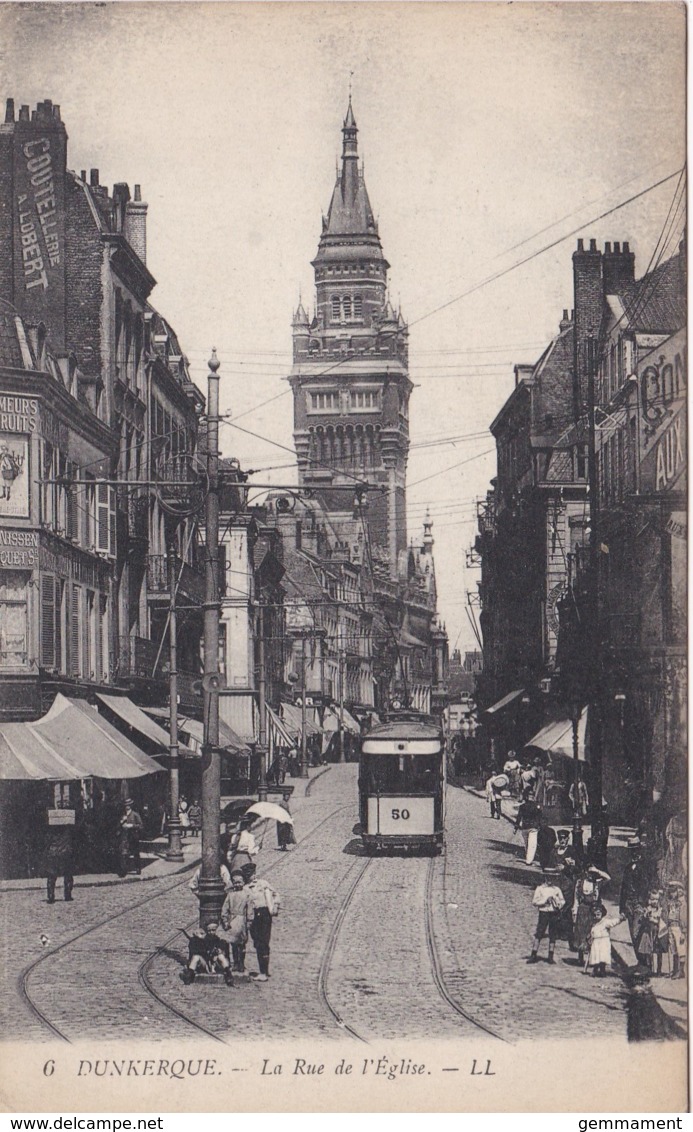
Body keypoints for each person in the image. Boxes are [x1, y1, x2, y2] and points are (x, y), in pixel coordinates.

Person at [245, 864, 280, 981]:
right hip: (253, 915)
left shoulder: (263, 883)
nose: (252, 877)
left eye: (253, 874)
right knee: (257, 942)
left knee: (263, 942)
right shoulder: (245, 888)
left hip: (264, 914)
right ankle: (264, 970)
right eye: (249, 875)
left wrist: (275, 905)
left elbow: (276, 894)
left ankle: (264, 972)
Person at [619, 838, 650, 965]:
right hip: (628, 904)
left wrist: (647, 904)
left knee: (637, 932)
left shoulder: (644, 867)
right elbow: (623, 888)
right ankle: (640, 961)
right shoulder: (627, 868)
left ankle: (644, 961)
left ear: (639, 851)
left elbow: (648, 885)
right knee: (632, 933)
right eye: (631, 851)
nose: (634, 854)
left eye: (636, 851)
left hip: (639, 903)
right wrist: (621, 908)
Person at [527, 868, 565, 964]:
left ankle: (550, 955)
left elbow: (562, 900)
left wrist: (558, 904)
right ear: (545, 877)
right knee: (539, 932)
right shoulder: (540, 889)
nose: (550, 880)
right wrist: (544, 902)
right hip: (544, 912)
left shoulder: (556, 889)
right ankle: (534, 954)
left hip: (553, 912)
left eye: (552, 878)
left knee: (553, 933)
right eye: (548, 877)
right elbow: (534, 902)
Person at [573, 865, 610, 966]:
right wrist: (575, 910)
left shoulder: (597, 883)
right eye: (589, 873)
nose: (591, 876)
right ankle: (580, 957)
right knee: (581, 932)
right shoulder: (580, 882)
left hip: (593, 909)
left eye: (593, 874)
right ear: (585, 872)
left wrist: (598, 870)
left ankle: (592, 957)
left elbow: (608, 878)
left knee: (592, 932)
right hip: (582, 909)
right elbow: (576, 897)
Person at [221, 870, 253, 973]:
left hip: (242, 920)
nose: (237, 884)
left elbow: (249, 909)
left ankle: (241, 963)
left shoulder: (246, 895)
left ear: (244, 882)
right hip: (232, 920)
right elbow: (225, 908)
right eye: (235, 882)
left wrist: (249, 921)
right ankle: (235, 963)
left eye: (240, 882)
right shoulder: (230, 895)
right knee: (233, 943)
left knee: (242, 943)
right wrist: (225, 920)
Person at [44, 802, 75, 904]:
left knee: (52, 875)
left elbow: (47, 841)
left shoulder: (51, 830)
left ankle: (51, 896)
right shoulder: (68, 828)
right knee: (68, 874)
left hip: (53, 852)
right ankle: (67, 894)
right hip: (65, 851)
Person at [585, 905, 626, 977]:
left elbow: (613, 922)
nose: (596, 916)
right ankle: (595, 970)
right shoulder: (593, 923)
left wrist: (620, 919)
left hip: (603, 942)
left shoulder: (605, 922)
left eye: (598, 914)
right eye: (594, 915)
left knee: (602, 956)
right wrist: (589, 937)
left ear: (602, 913)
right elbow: (591, 932)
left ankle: (602, 971)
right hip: (596, 942)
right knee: (596, 956)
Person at [663, 880, 687, 980]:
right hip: (671, 927)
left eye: (674, 891)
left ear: (679, 891)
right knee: (673, 949)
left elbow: (684, 917)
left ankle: (681, 971)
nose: (672, 894)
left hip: (678, 928)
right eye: (670, 891)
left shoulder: (682, 903)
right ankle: (674, 970)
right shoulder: (670, 902)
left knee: (680, 949)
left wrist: (684, 931)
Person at [513, 789, 542, 864]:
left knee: (528, 844)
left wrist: (516, 827)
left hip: (525, 827)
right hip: (532, 827)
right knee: (531, 844)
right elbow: (540, 817)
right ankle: (529, 859)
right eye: (530, 795)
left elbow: (519, 817)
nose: (531, 797)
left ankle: (528, 859)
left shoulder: (522, 806)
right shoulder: (537, 806)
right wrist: (540, 826)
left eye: (531, 795)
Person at [228, 815, 260, 882]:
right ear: (247, 827)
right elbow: (251, 851)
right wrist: (258, 848)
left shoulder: (235, 836)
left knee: (238, 880)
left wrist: (230, 861)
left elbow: (230, 850)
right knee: (250, 880)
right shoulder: (250, 836)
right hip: (245, 860)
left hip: (235, 860)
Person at [118, 798, 143, 877]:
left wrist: (132, 826)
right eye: (125, 805)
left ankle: (138, 868)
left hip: (133, 836)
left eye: (128, 805)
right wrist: (121, 822)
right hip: (125, 837)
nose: (127, 807)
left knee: (135, 853)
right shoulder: (123, 815)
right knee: (124, 853)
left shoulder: (135, 814)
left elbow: (141, 826)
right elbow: (118, 825)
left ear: (131, 806)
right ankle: (123, 871)